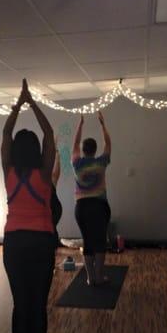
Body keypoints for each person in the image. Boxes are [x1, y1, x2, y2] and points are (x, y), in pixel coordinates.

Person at [1, 79, 55, 333]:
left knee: (21, 304)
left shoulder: (8, 173)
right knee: (37, 305)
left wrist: (17, 106)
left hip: (14, 243)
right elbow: (48, 133)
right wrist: (32, 104)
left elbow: (6, 133)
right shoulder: (45, 174)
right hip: (41, 242)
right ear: (35, 150)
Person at [72, 111, 111, 286]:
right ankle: (100, 276)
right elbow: (108, 143)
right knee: (100, 241)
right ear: (94, 150)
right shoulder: (101, 162)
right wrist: (103, 125)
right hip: (99, 206)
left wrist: (80, 125)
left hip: (81, 207)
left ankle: (90, 278)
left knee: (87, 241)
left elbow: (74, 144)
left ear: (84, 149)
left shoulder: (77, 164)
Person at [51, 138, 63, 248]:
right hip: (52, 209)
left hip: (54, 209)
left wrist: (57, 153)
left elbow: (56, 173)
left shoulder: (51, 180)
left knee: (51, 229)